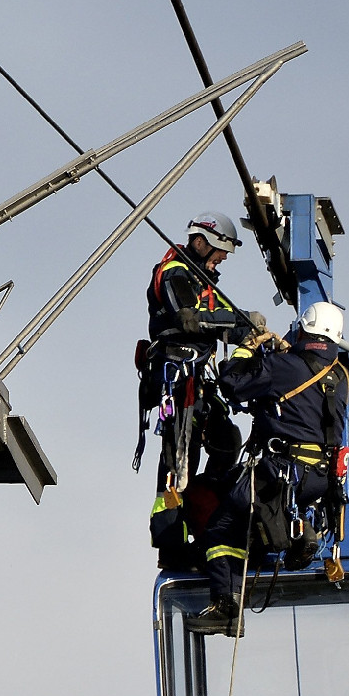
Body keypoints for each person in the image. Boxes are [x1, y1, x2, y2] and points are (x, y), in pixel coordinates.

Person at [187, 300, 349, 636]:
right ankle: (295, 539)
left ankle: (227, 606)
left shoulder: (285, 366)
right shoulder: (341, 374)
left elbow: (232, 383)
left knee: (222, 525)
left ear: (304, 327)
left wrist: (248, 349)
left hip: (282, 472)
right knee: (255, 524)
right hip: (319, 482)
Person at [139, 212, 248, 569]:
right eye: (220, 249)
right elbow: (191, 317)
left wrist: (250, 328)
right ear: (200, 242)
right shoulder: (175, 273)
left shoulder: (206, 282)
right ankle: (170, 545)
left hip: (202, 380)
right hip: (179, 378)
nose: (224, 258)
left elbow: (228, 318)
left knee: (227, 441)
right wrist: (238, 321)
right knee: (178, 463)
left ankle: (204, 511)